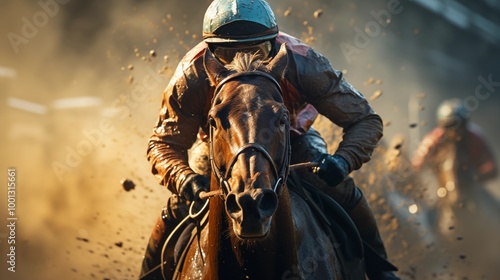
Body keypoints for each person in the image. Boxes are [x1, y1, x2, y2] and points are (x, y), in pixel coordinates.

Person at [140, 0, 399, 279]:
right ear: (211, 51)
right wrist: (182, 178)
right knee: (177, 207)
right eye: (228, 53)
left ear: (274, 44)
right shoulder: (191, 73)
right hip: (223, 144)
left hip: (290, 140)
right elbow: (163, 143)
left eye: (257, 51)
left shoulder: (303, 61)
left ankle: (381, 271)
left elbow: (364, 119)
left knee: (340, 190)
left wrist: (343, 160)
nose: (244, 63)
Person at [411, 98, 498, 211]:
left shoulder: (475, 138)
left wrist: (475, 176)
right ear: (442, 126)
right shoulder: (433, 141)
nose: (454, 131)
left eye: (458, 125)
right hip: (438, 184)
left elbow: (492, 168)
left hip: (470, 185)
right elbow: (416, 164)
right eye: (449, 126)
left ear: (465, 124)